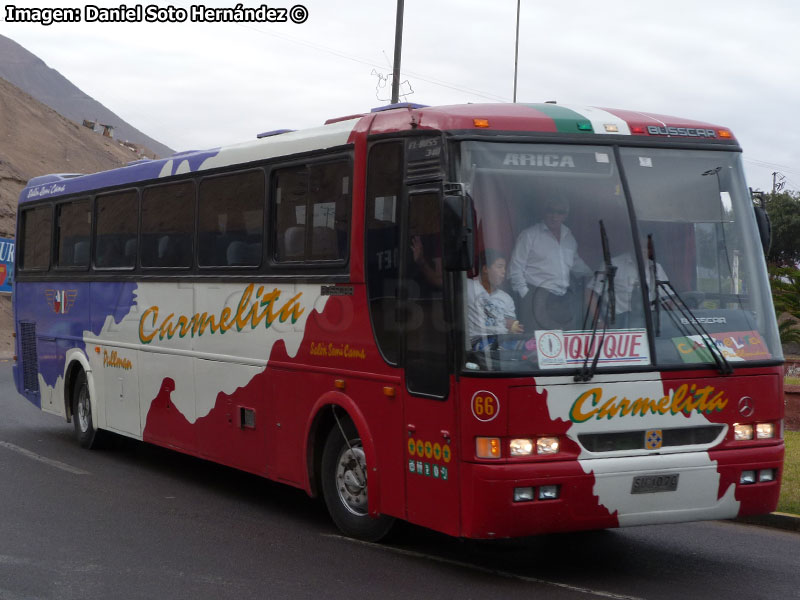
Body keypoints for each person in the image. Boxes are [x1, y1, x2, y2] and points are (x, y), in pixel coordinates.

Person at [508, 198, 591, 331]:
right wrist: (527, 296)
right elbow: (515, 269)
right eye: (551, 211)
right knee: (537, 343)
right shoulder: (530, 235)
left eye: (560, 212)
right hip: (536, 295)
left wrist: (594, 275)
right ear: (544, 212)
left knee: (563, 342)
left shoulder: (568, 236)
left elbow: (575, 263)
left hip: (563, 298)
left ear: (566, 215)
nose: (555, 216)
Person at [589, 235, 669, 328]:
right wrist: (598, 321)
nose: (643, 250)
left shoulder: (656, 268)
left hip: (649, 324)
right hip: (618, 324)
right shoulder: (612, 265)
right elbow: (591, 293)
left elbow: (667, 298)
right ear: (631, 246)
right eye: (640, 246)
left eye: (647, 247)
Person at [467, 250, 523, 348]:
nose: (504, 271)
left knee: (528, 348)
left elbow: (508, 322)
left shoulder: (506, 298)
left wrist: (514, 326)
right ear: (485, 269)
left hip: (504, 340)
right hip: (480, 340)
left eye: (504, 268)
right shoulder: (468, 286)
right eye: (499, 267)